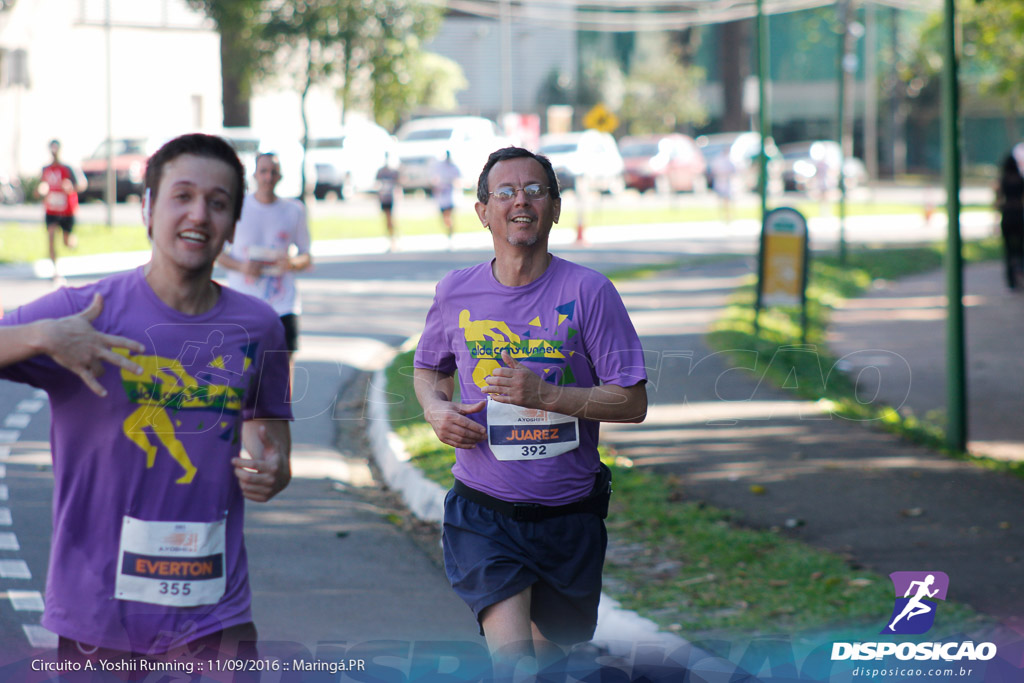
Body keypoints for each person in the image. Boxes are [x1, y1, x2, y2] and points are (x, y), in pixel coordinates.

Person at [0, 133, 293, 670]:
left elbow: (269, 439)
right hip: (97, 613)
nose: (199, 214)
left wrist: (272, 472)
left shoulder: (259, 327)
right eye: (182, 195)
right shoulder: (85, 312)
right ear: (148, 207)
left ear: (232, 224)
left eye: (218, 202)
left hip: (214, 609)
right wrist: (44, 337)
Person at [413, 147, 648, 677]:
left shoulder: (590, 292)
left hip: (571, 521)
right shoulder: (455, 291)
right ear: (483, 211)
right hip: (484, 514)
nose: (521, 200)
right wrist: (435, 409)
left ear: (556, 208)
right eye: (506, 192)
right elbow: (428, 369)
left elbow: (632, 402)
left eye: (536, 190)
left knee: (547, 666)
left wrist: (547, 396)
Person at [217, 152, 313, 357]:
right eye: (263, 171)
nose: (268, 177)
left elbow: (306, 256)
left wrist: (292, 263)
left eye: (274, 172)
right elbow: (217, 252)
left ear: (280, 176)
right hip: (244, 303)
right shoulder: (237, 207)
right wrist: (242, 267)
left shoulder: (293, 210)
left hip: (283, 304)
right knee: (246, 367)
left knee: (285, 366)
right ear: (254, 175)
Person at [38, 139, 84, 284]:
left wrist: (70, 187)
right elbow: (40, 187)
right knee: (51, 238)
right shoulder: (46, 169)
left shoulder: (68, 168)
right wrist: (41, 190)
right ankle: (55, 271)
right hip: (51, 210)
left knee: (67, 242)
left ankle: (73, 242)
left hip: (67, 211)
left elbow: (82, 184)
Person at [995, 150, 1024, 290]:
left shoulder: (1002, 181)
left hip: (1007, 216)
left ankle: (1011, 280)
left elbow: (997, 201)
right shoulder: (1020, 180)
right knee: (1020, 248)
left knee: (1008, 250)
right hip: (1019, 215)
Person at [431, 150, 461, 245]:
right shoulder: (440, 167)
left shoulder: (453, 167)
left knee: (449, 216)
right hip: (442, 196)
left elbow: (458, 180)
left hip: (450, 196)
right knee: (444, 217)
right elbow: (435, 180)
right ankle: (449, 232)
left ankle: (451, 233)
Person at [375, 152, 401, 251]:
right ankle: (391, 240)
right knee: (386, 220)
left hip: (390, 198)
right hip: (384, 198)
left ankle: (394, 240)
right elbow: (378, 185)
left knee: (391, 219)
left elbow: (398, 183)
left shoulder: (393, 172)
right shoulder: (381, 172)